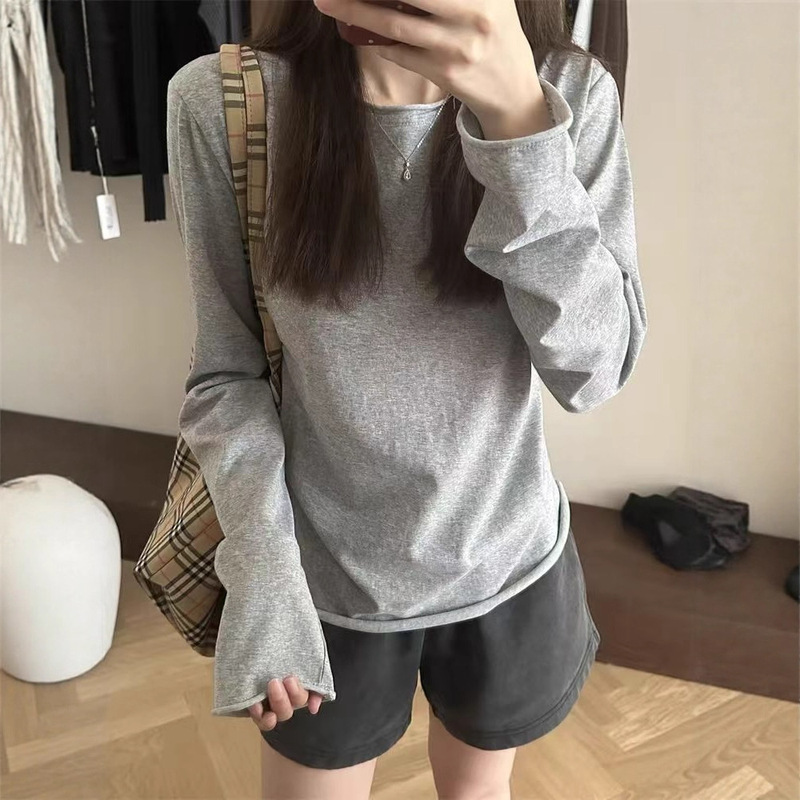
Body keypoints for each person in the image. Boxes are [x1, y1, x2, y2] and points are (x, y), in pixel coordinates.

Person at [165, 0, 647, 797]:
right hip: (320, 582)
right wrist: (263, 572)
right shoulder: (223, 103)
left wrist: (519, 129)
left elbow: (593, 372)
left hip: (507, 563)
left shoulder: (569, 91)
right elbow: (226, 375)